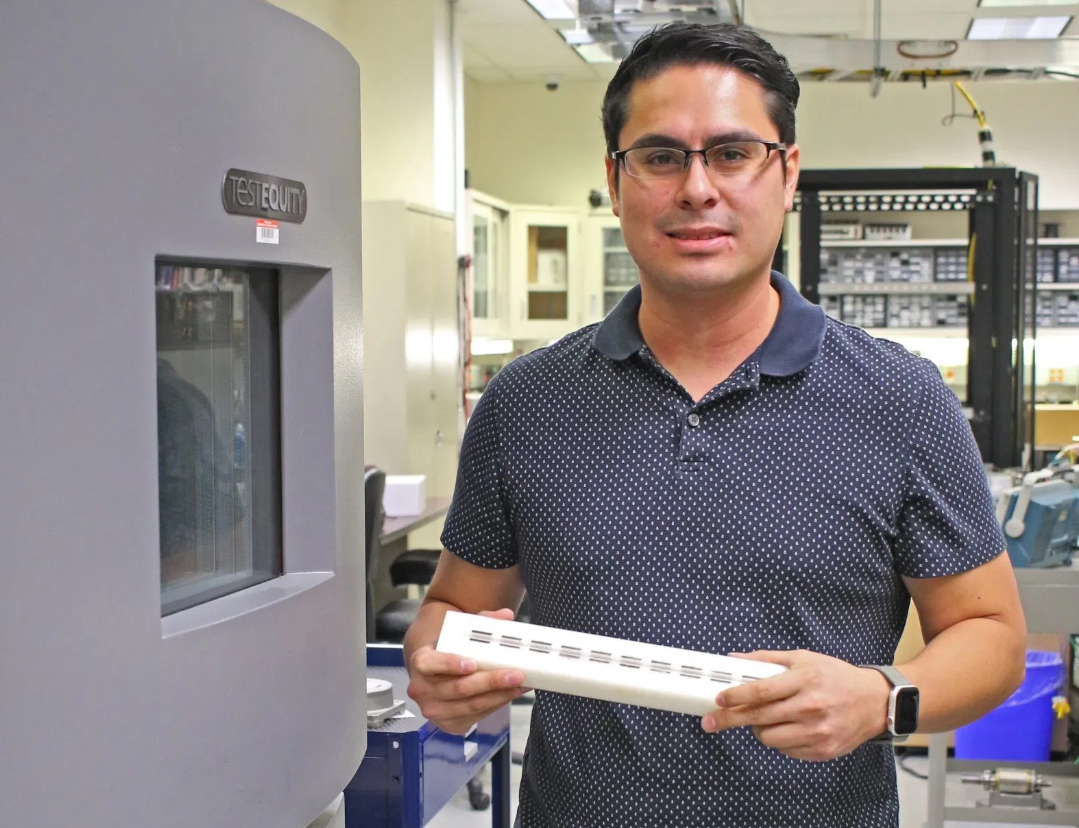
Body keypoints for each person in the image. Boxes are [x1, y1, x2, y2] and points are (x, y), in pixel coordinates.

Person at [403, 22, 1026, 828]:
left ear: (787, 173)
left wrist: (883, 696)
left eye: (732, 154)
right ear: (617, 178)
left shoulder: (901, 401)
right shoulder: (527, 403)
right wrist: (438, 668)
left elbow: (991, 636)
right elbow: (451, 610)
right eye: (661, 157)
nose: (697, 189)